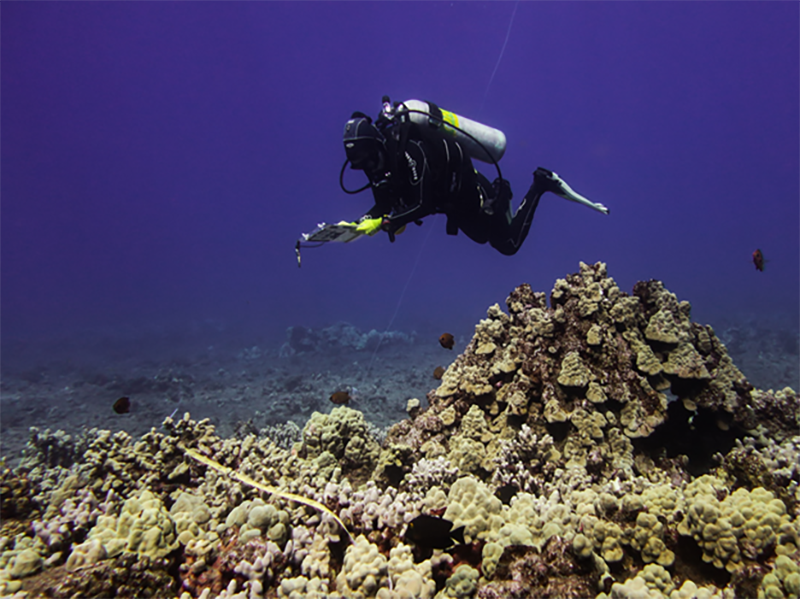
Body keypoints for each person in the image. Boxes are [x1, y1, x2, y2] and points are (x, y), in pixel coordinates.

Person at [340, 98, 609, 256]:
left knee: (508, 245)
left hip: (470, 193)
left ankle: (538, 185)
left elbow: (422, 203)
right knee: (483, 237)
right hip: (453, 203)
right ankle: (502, 192)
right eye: (360, 164)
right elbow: (383, 204)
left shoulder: (408, 152)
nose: (369, 167)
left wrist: (385, 222)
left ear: (377, 144)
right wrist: (356, 224)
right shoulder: (380, 165)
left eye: (369, 159)